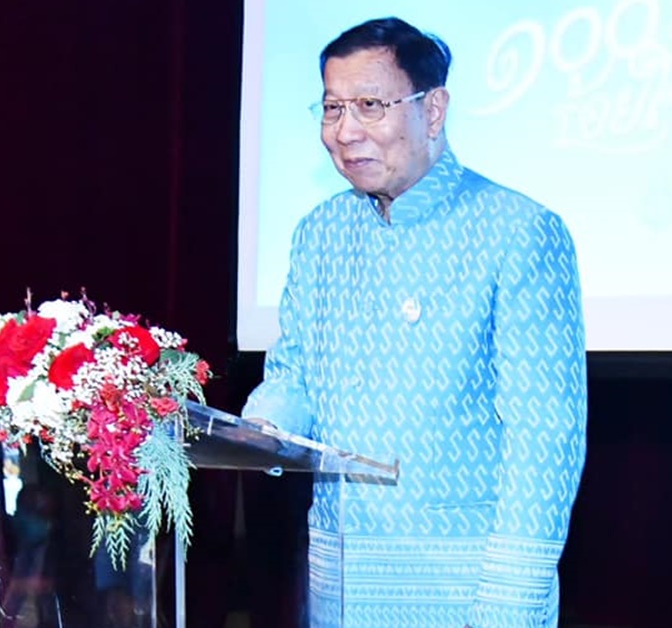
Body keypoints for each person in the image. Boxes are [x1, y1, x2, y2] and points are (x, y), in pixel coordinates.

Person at [243, 17, 588, 628]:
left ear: (433, 110)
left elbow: (546, 434)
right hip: (341, 583)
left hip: (468, 589)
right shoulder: (319, 233)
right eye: (332, 108)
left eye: (370, 105)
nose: (345, 131)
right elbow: (293, 373)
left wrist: (511, 599)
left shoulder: (520, 231)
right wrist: (259, 430)